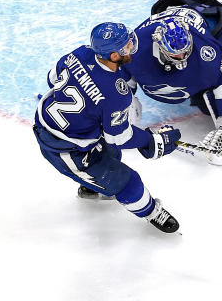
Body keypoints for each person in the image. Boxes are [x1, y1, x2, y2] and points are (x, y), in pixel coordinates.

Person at [32, 22, 182, 233]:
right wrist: (150, 141)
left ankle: (92, 186)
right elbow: (119, 137)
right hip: (66, 149)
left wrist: (87, 99)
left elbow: (52, 79)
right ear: (113, 55)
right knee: (128, 182)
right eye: (126, 45)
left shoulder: (80, 53)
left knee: (111, 154)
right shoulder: (115, 95)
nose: (131, 45)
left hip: (64, 126)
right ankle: (151, 212)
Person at [122, 0, 222, 167]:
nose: (182, 57)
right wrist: (117, 112)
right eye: (175, 54)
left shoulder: (207, 51)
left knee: (208, 101)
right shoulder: (134, 47)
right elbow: (119, 80)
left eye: (185, 51)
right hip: (176, 14)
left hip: (210, 26)